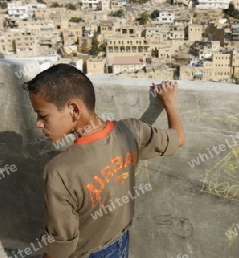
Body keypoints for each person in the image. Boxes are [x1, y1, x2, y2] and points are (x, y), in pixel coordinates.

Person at [22, 64, 185, 258]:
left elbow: (60, 247)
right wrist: (169, 102)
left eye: (43, 115)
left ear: (74, 109)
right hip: (121, 242)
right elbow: (179, 139)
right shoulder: (131, 131)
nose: (38, 123)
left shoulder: (59, 172)